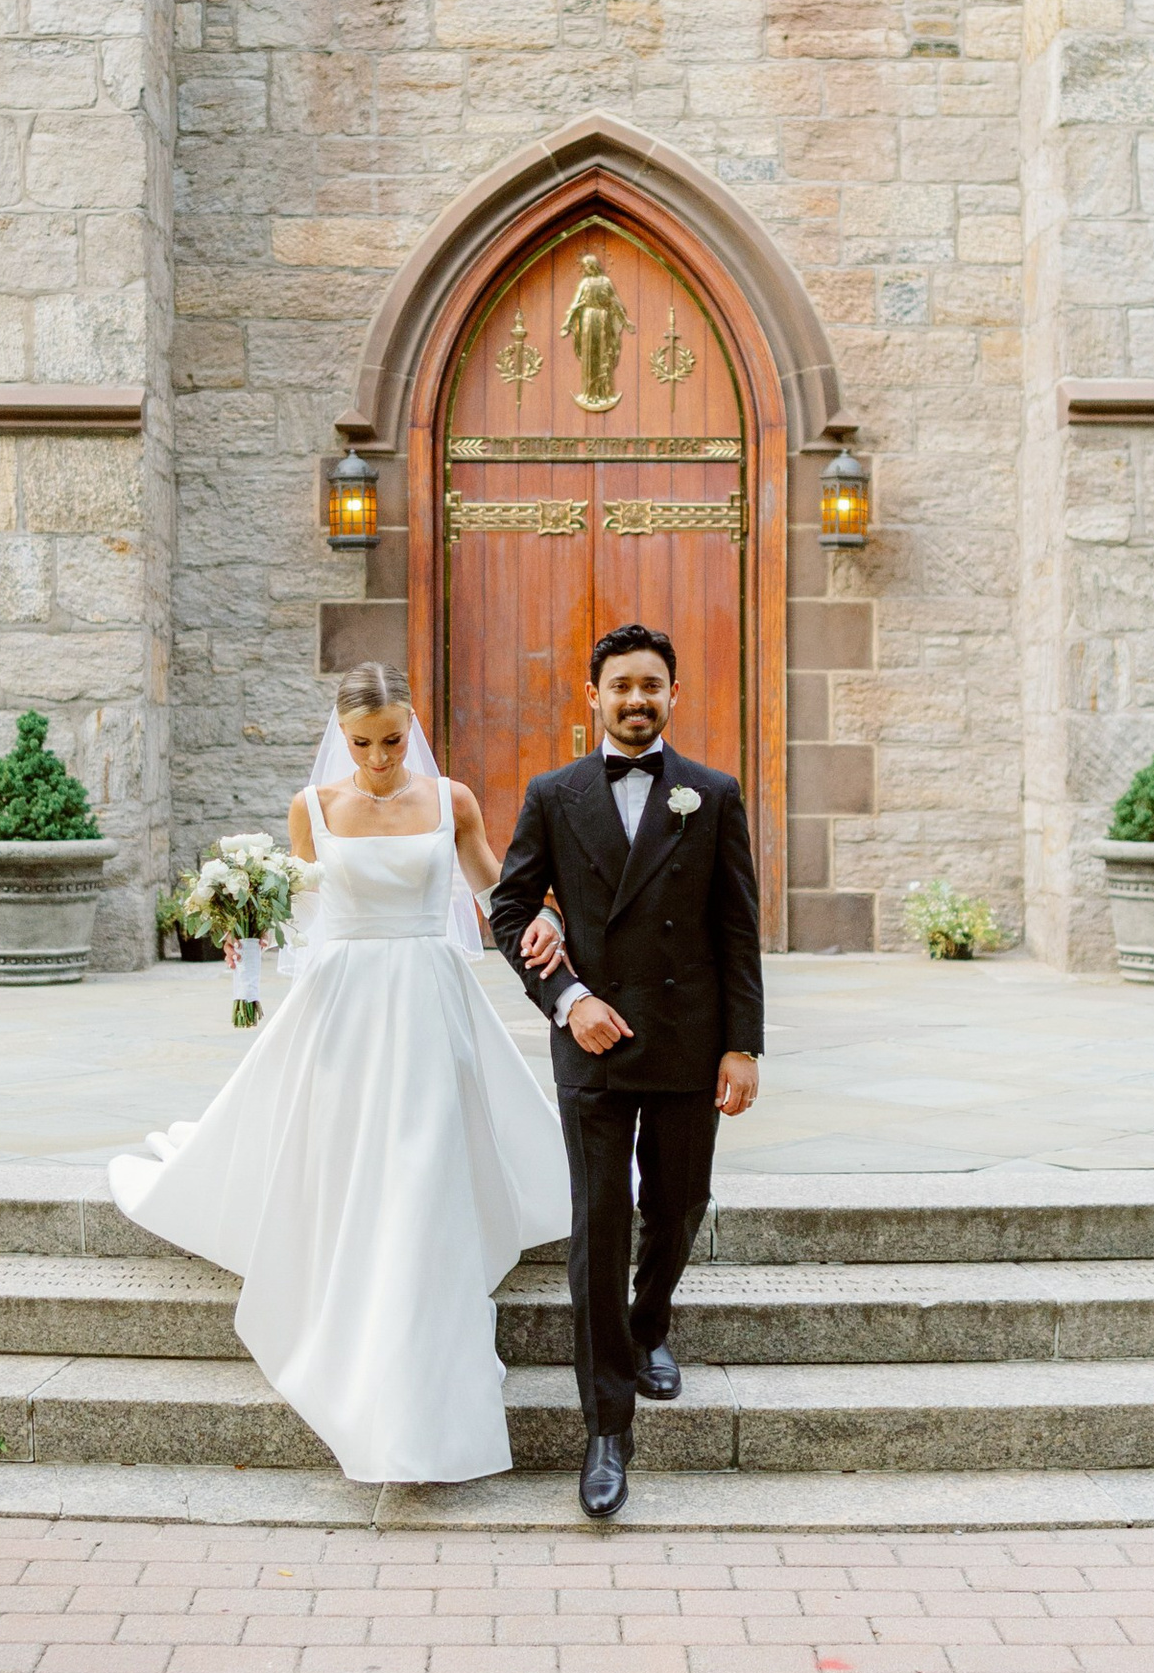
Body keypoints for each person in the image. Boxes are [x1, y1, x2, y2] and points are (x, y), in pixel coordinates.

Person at [109, 664, 569, 1485]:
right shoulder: (312, 809)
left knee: (426, 1163)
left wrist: (542, 914)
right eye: (362, 743)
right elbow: (299, 908)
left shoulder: (451, 799)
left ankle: (424, 1349)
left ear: (413, 727)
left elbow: (492, 884)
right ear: (340, 736)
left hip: (431, 996)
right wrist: (246, 932)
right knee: (357, 1154)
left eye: (393, 740)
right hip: (345, 1003)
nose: (381, 757)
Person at [488, 622, 765, 1521]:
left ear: (673, 696)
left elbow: (736, 929)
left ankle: (650, 1325)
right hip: (595, 1044)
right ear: (593, 697)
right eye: (621, 687)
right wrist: (569, 997)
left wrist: (742, 1045)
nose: (637, 700)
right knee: (600, 1227)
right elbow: (511, 910)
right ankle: (607, 1429)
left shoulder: (713, 794)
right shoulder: (554, 793)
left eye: (652, 686)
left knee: (678, 1205)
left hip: (690, 1040)